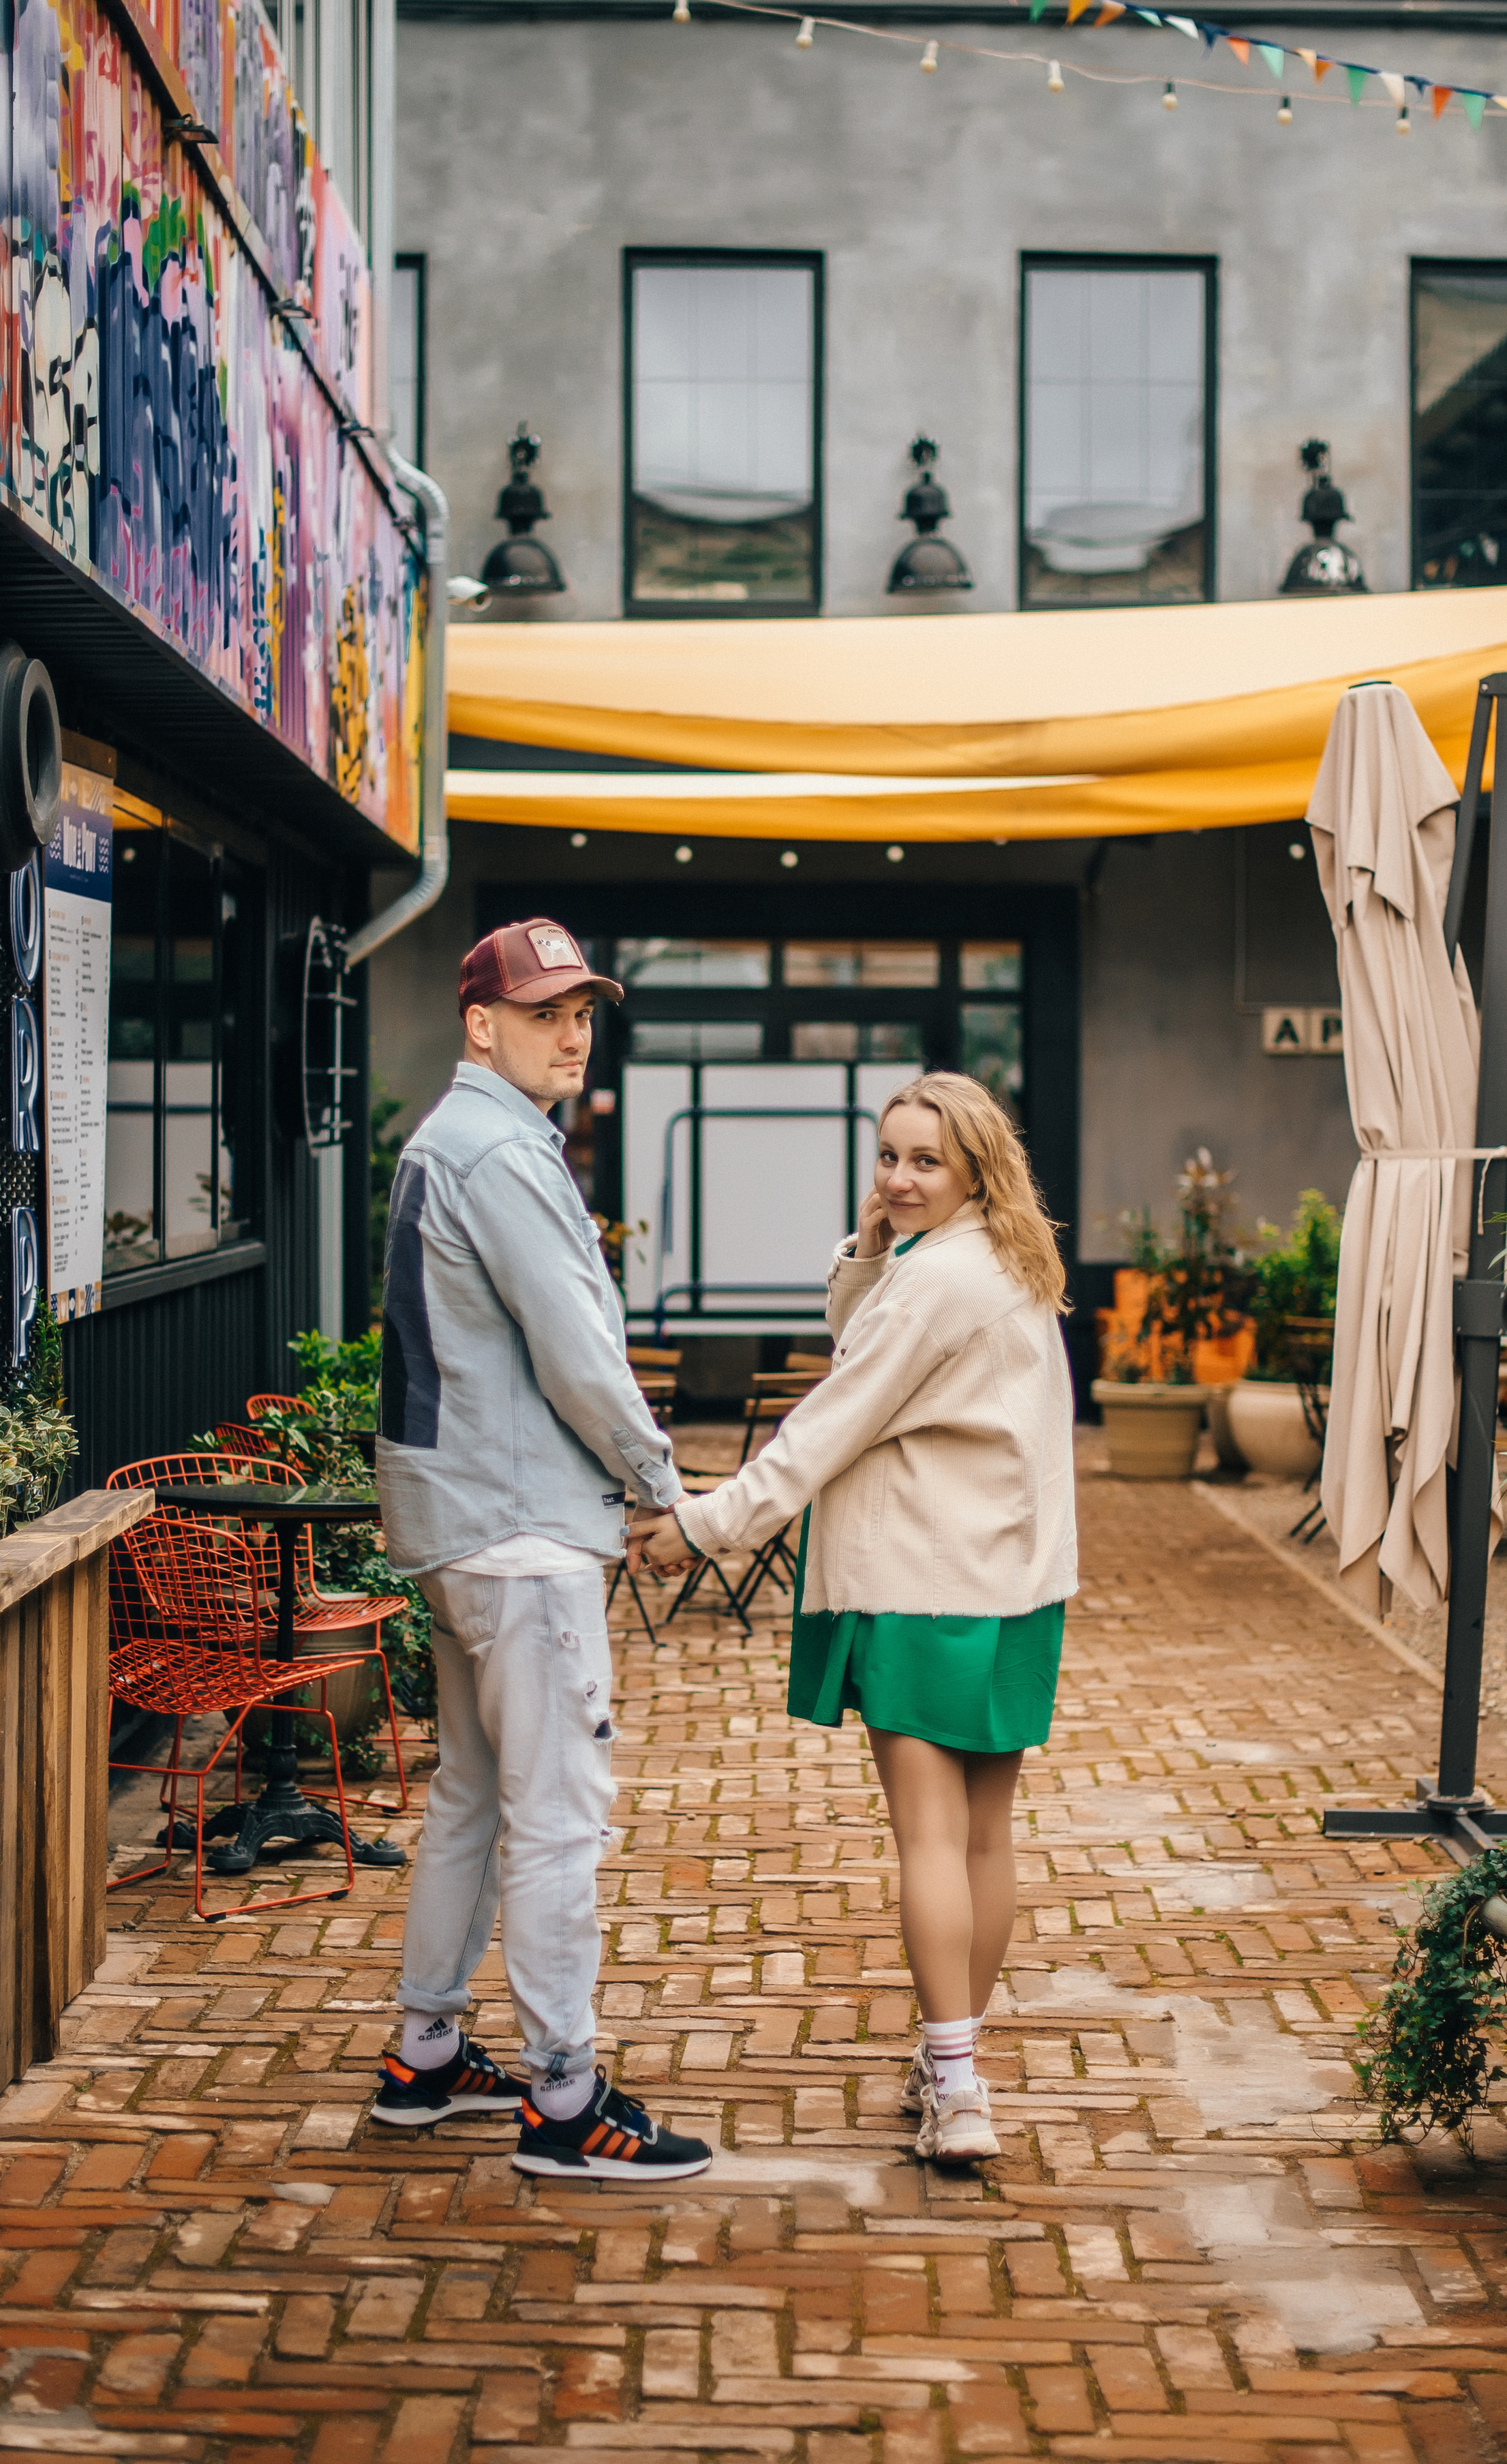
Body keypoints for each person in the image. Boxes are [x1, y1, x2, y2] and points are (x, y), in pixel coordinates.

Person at [632, 1071, 1075, 2165]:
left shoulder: (937, 1284)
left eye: (926, 1160)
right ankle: (954, 2060)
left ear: (975, 1165)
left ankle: (961, 2087)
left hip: (922, 1576)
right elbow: (862, 1331)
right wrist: (876, 1241)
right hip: (1014, 1582)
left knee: (928, 1835)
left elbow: (827, 1422)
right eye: (888, 1155)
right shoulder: (1003, 1260)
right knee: (982, 1834)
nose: (900, 1176)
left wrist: (701, 1524)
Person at [370, 917, 710, 2183]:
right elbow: (579, 1354)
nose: (573, 1029)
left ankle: (427, 2052)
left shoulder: (452, 1141)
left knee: (469, 1791)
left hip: (458, 1520)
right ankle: (565, 2099)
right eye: (545, 1009)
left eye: (582, 1009)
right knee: (558, 1817)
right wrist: (660, 1484)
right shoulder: (504, 1155)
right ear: (481, 1022)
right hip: (518, 1528)